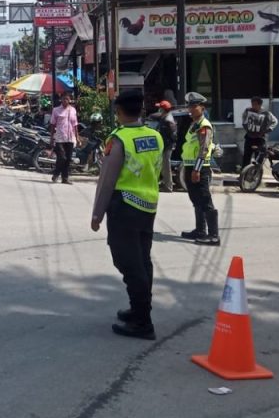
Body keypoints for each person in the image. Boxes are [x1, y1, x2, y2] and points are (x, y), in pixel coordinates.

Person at [90, 89, 163, 340]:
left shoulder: (119, 139)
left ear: (119, 112)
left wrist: (97, 214)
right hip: (148, 205)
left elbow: (107, 180)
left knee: (128, 263)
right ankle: (139, 309)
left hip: (125, 206)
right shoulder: (155, 136)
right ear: (141, 110)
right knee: (142, 260)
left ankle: (142, 321)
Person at [180, 92, 219, 245]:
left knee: (205, 200)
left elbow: (204, 149)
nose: (190, 109)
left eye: (194, 106)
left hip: (200, 169)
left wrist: (196, 169)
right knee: (196, 200)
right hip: (190, 166)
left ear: (202, 108)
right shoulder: (194, 124)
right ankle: (200, 230)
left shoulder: (204, 125)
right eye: (189, 106)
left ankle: (214, 235)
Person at [49, 92, 79, 184]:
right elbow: (52, 124)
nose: (65, 100)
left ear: (70, 100)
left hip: (70, 138)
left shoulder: (73, 110)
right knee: (62, 157)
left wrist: (77, 137)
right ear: (61, 99)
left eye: (67, 99)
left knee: (68, 159)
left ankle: (65, 178)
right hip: (60, 138)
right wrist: (51, 138)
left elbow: (75, 125)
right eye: (64, 99)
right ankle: (56, 174)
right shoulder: (56, 110)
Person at [242, 96, 278, 169]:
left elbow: (275, 121)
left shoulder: (266, 113)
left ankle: (257, 173)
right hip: (249, 137)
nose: (253, 106)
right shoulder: (248, 111)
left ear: (260, 105)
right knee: (246, 157)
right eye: (252, 104)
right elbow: (244, 119)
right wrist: (246, 126)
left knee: (259, 157)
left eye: (255, 104)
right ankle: (244, 173)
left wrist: (269, 129)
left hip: (260, 138)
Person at [153, 100, 177, 193]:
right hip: (163, 146)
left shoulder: (168, 120)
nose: (158, 109)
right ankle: (164, 183)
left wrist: (169, 145)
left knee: (166, 166)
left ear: (163, 109)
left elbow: (173, 135)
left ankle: (168, 186)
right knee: (162, 166)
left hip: (167, 147)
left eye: (160, 108)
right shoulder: (164, 118)